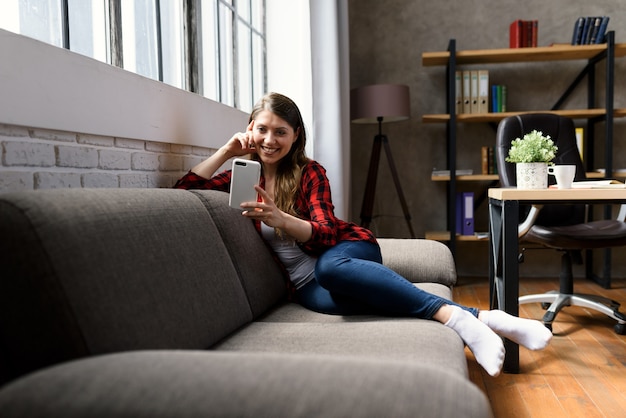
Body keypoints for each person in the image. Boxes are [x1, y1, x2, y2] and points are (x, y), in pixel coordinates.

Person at [174, 92, 552, 377]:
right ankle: (484, 319)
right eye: (262, 129)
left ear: (295, 136)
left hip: (347, 251)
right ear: (250, 129)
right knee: (354, 296)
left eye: (280, 131)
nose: (270, 139)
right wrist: (225, 151)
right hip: (307, 289)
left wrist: (280, 218)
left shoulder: (310, 173)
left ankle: (461, 323)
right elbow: (183, 190)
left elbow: (323, 234)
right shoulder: (243, 178)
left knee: (330, 269)